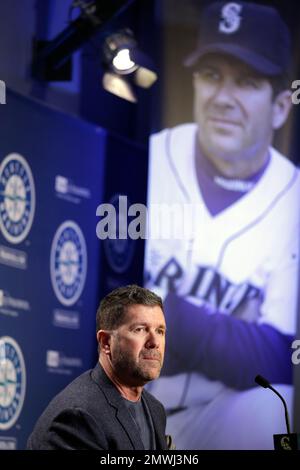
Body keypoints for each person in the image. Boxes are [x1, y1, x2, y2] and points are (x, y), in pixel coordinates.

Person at [144, 1, 300, 449]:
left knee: (274, 403)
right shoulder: (150, 160)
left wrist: (176, 318)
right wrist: (231, 336)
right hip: (124, 409)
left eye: (247, 82)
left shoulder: (293, 201)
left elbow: (281, 358)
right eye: (211, 75)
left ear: (280, 108)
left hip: (216, 422)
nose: (223, 97)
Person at [27, 285, 169, 450]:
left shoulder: (155, 409)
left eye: (160, 331)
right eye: (140, 329)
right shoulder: (79, 416)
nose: (155, 342)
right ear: (106, 342)